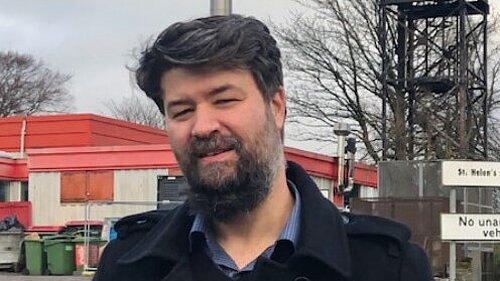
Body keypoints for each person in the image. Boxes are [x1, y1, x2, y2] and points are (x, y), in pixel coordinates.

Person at [94, 15, 432, 281]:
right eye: (182, 111)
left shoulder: (388, 268)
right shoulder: (128, 264)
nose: (202, 126)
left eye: (224, 100)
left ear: (277, 106)